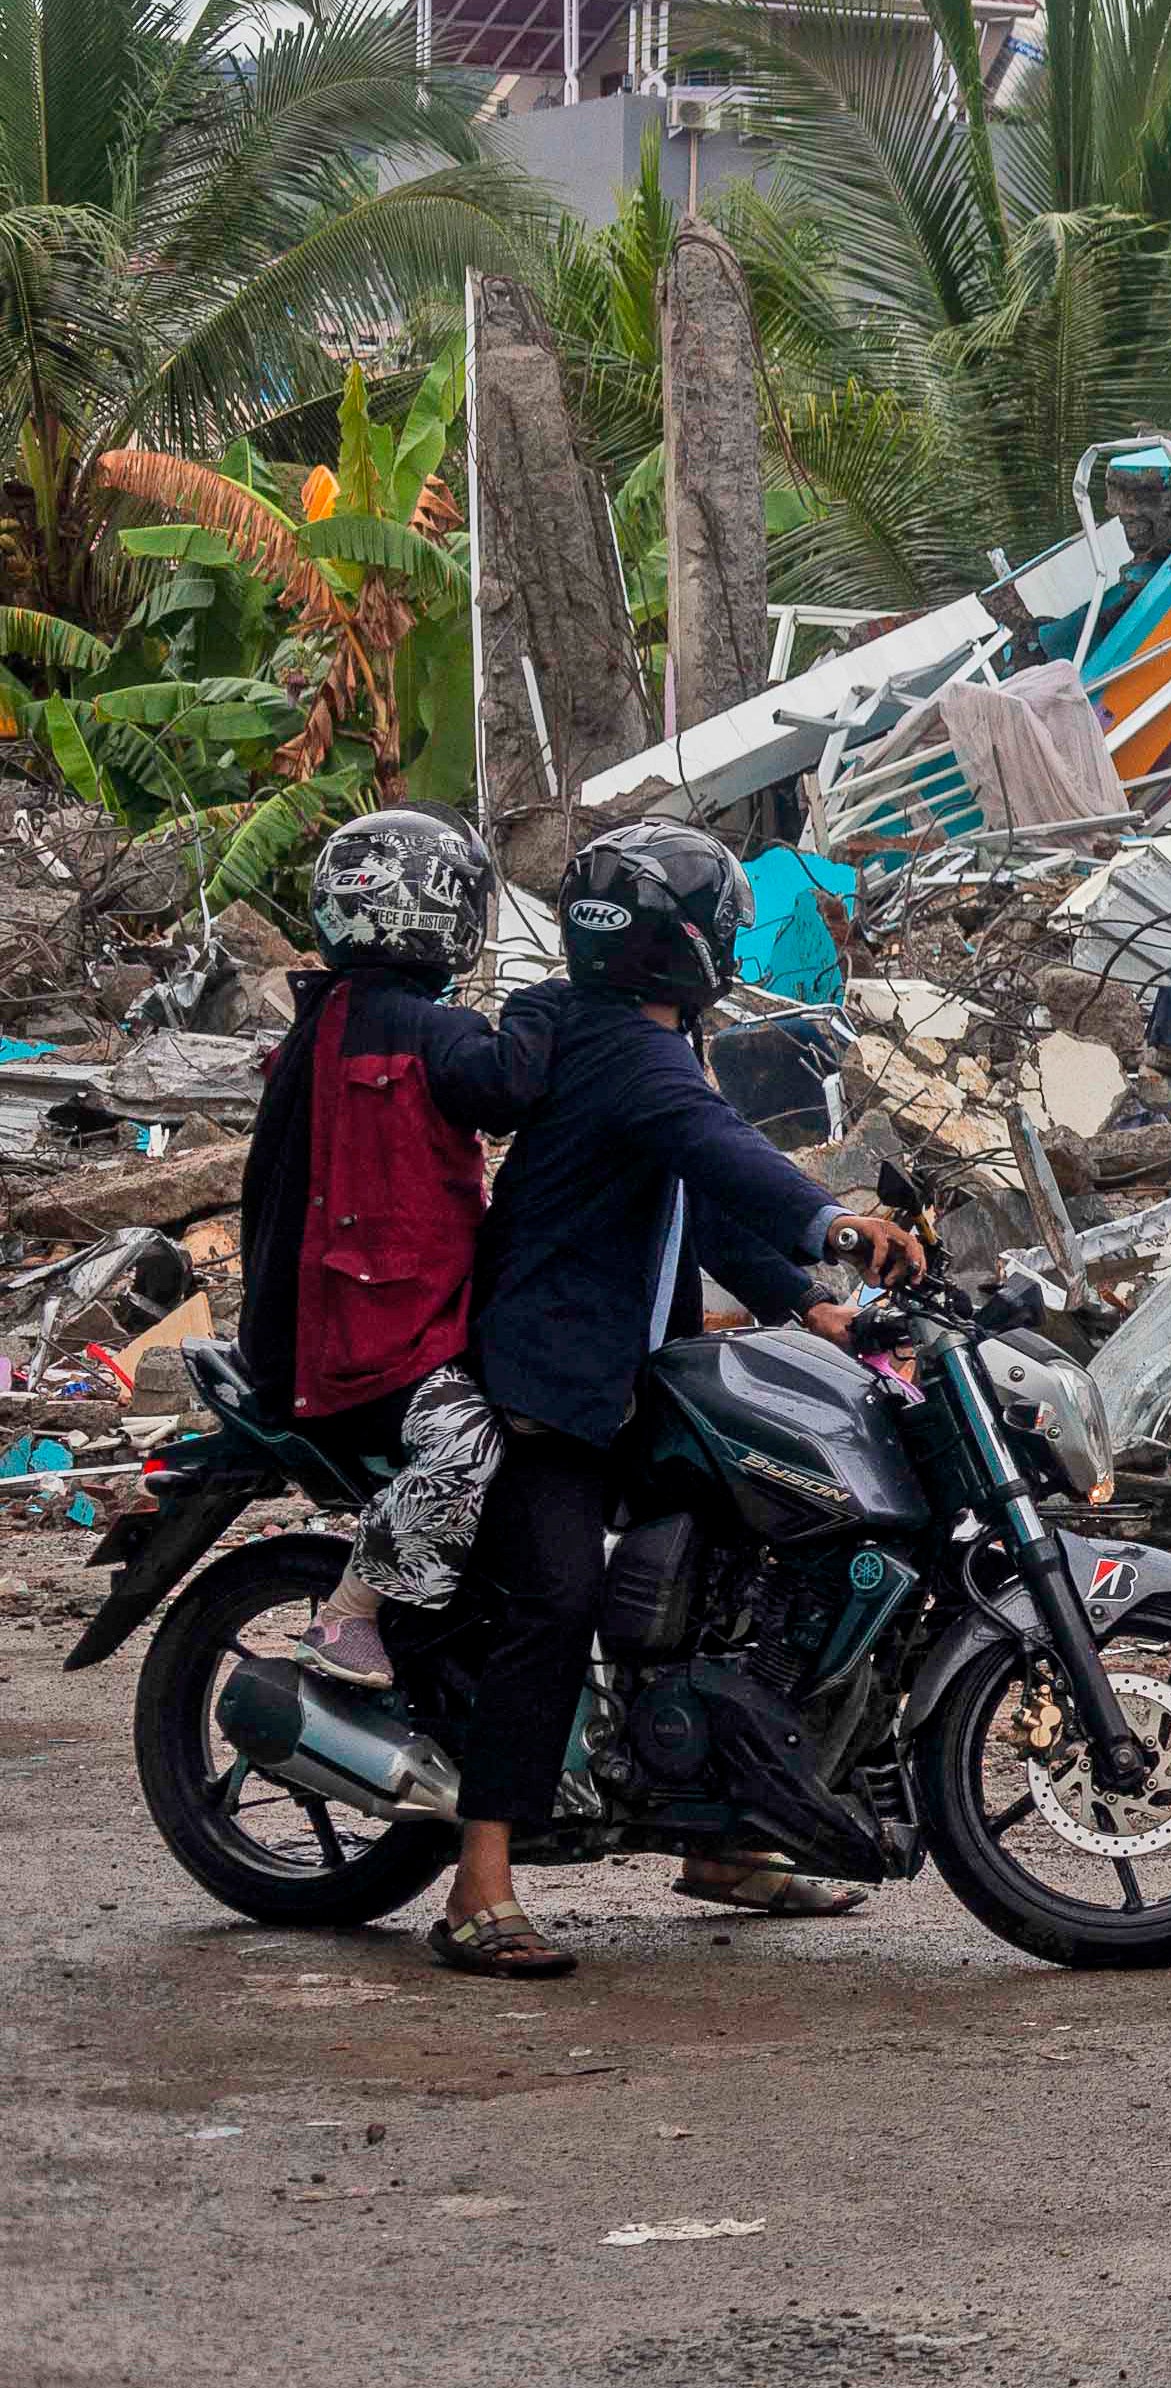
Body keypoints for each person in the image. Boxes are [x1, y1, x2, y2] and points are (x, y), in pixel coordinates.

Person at [424, 821, 927, 1978]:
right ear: (676, 941)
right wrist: (836, 1221)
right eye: (725, 923)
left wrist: (818, 1305)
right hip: (551, 1371)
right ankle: (477, 1882)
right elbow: (720, 1148)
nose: (737, 937)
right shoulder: (627, 1050)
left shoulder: (643, 1039)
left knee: (750, 1551)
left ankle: (727, 1836)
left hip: (621, 1365)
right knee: (558, 1596)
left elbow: (692, 1200)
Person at [240, 813, 540, 1690]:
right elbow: (511, 1088)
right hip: (358, 1343)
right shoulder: (416, 1028)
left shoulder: (330, 1015)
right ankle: (351, 1612)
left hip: (343, 1323)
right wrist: (556, 1013)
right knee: (471, 1438)